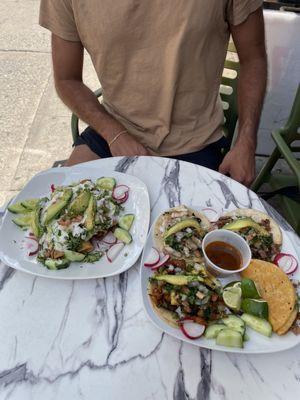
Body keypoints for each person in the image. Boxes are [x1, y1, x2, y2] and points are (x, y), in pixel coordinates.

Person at [39, 0, 267, 186]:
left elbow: (253, 58)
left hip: (196, 142)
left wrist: (246, 142)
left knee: (186, 239)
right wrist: (115, 134)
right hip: (112, 132)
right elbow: (67, 80)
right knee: (61, 228)